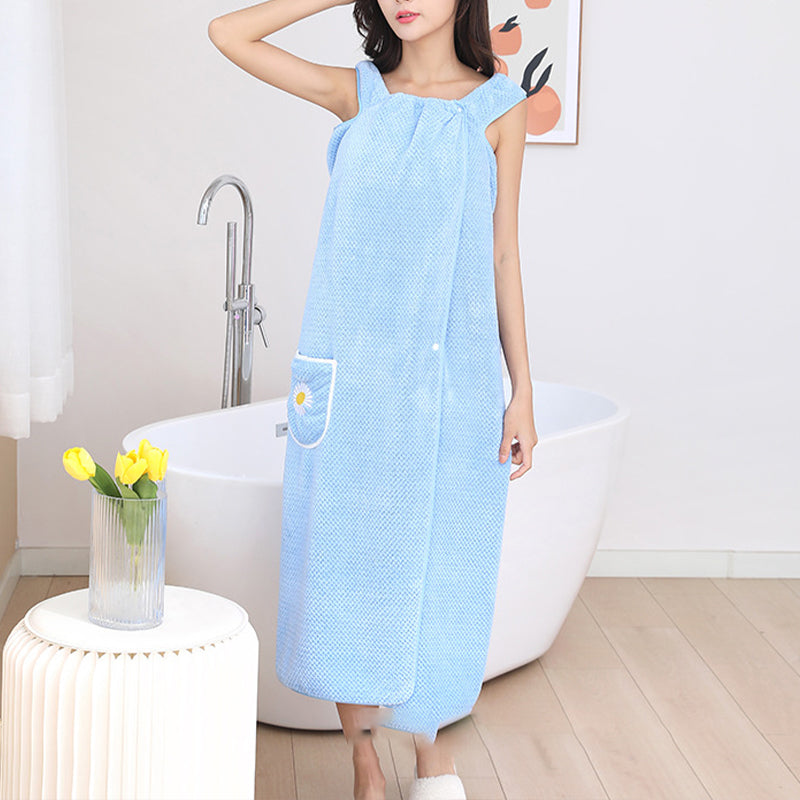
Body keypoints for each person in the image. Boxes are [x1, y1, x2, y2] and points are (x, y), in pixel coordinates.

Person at [209, 0, 538, 796]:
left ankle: (429, 750)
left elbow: (502, 254)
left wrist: (522, 389)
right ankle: (362, 756)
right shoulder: (356, 93)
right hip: (354, 380)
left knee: (443, 563)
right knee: (351, 566)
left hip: (454, 381)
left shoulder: (501, 108)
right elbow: (228, 33)